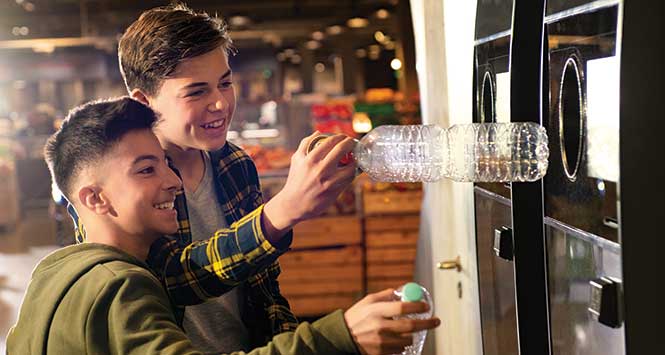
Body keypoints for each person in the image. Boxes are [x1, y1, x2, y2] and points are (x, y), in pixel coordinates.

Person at [6, 97, 440, 354]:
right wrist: (340, 334)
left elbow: (264, 293)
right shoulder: (120, 286)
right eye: (145, 170)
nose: (172, 182)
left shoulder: (53, 272)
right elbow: (190, 273)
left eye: (165, 165)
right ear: (95, 199)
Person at [68, 3, 361, 352]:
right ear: (144, 102)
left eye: (224, 84)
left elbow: (265, 290)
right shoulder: (119, 184)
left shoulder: (236, 164)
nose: (220, 104)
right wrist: (283, 210)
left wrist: (288, 339)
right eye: (197, 91)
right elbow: (168, 280)